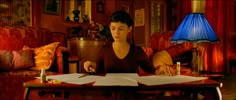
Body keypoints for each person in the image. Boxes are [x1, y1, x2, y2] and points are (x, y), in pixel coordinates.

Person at [83, 10, 155, 74]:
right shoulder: (104, 50)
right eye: (113, 28)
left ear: (129, 29)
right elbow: (98, 71)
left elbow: (152, 70)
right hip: (109, 88)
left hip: (130, 88)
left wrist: (161, 69)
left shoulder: (136, 51)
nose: (116, 33)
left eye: (121, 29)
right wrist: (90, 65)